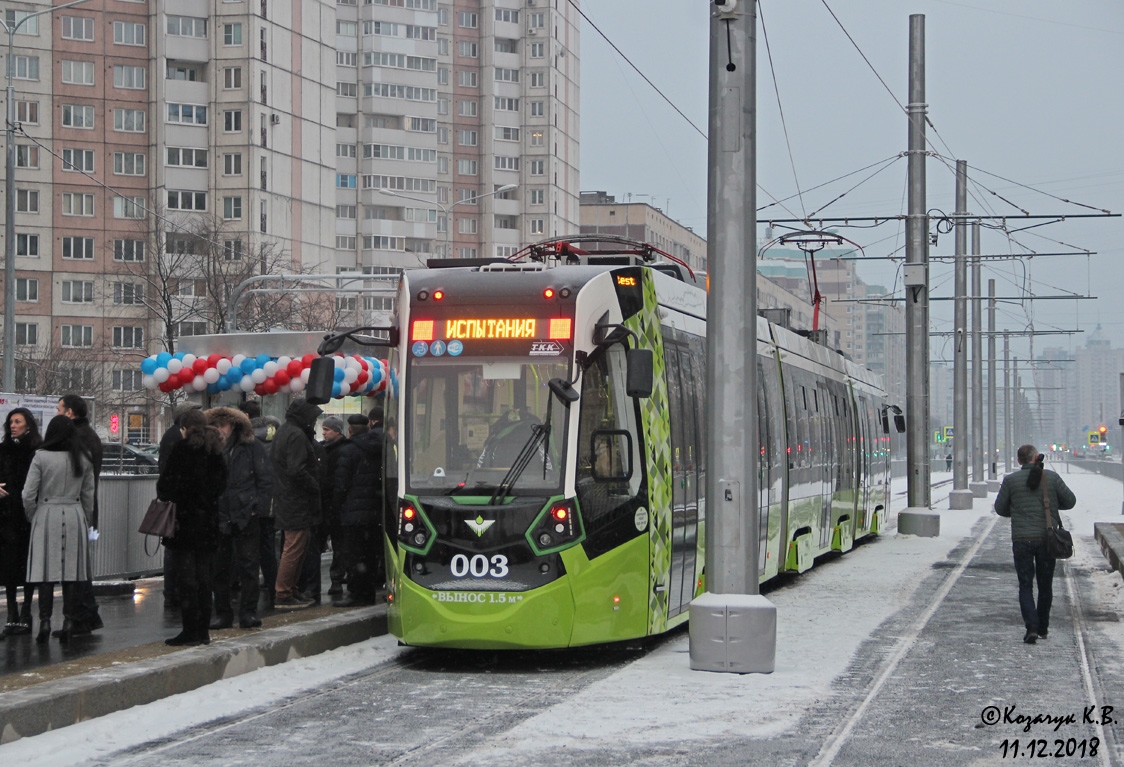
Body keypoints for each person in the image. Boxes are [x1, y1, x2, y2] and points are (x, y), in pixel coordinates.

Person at [156, 408, 228, 646]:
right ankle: (204, 630)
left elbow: (166, 487)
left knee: (187, 579)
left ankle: (189, 630)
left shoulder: (182, 450)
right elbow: (220, 486)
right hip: (208, 523)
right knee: (205, 578)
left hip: (185, 524)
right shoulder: (215, 450)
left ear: (185, 428)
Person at [22, 415, 96, 643]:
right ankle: (68, 620)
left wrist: (33, 516)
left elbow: (27, 494)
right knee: (71, 572)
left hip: (46, 513)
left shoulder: (41, 457)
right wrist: (85, 518)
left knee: (45, 570)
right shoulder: (83, 457)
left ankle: (45, 620)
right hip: (74, 513)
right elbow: (88, 495)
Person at [994, 444, 1077, 644]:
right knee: (1045, 584)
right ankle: (1042, 627)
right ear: (1036, 457)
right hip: (1047, 540)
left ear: (1019, 460)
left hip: (1021, 540)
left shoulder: (1010, 481)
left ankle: (1031, 626)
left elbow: (1000, 508)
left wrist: (1018, 511)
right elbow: (1070, 501)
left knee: (1025, 584)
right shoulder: (1052, 478)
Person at [207, 407, 273, 630]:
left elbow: (265, 479)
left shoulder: (250, 446)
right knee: (220, 568)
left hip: (246, 514)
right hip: (220, 514)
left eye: (223, 425)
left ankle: (247, 613)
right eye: (215, 426)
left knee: (248, 567)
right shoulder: (211, 448)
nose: (219, 430)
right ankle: (223, 614)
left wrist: (257, 508)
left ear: (233, 426)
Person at [57, 395, 104, 636]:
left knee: (74, 568)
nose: (57, 413)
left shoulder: (77, 437)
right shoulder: (89, 435)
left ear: (70, 413)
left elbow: (80, 477)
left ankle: (83, 615)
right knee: (78, 566)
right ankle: (84, 615)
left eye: (59, 409)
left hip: (76, 508)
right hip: (84, 508)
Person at [271, 398, 322, 608]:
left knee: (294, 546)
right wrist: (314, 485)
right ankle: (284, 593)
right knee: (294, 548)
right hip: (296, 500)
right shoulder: (297, 435)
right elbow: (296, 470)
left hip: (286, 497)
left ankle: (290, 589)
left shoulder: (284, 431)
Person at [332, 414, 383, 606]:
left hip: (353, 512)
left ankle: (355, 593)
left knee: (354, 554)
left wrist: (337, 507)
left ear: (350, 429)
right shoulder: (380, 449)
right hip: (375, 510)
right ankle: (368, 592)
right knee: (370, 554)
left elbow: (341, 484)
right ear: (368, 427)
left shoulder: (349, 451)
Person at [0, 408, 42, 637]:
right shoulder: (3, 449)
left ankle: (26, 612)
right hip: (5, 515)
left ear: (28, 425)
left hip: (26, 515)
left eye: (17, 421)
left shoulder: (35, 449)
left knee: (27, 565)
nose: (13, 425)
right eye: (10, 422)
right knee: (7, 566)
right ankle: (11, 614)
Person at [158, 400, 202, 612]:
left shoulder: (172, 435)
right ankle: (173, 592)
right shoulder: (177, 438)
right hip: (179, 504)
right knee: (175, 549)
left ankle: (173, 592)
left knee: (174, 548)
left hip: (176, 501)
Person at [249, 412, 280, 613]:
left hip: (251, 504)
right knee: (268, 546)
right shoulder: (277, 444)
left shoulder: (251, 444)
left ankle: (249, 586)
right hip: (272, 503)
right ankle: (272, 584)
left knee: (250, 548)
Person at [317, 416, 348, 597]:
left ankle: (336, 579)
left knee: (338, 543)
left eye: (327, 429)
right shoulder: (322, 448)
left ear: (337, 431)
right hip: (325, 503)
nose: (324, 432)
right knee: (323, 543)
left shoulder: (342, 450)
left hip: (334, 504)